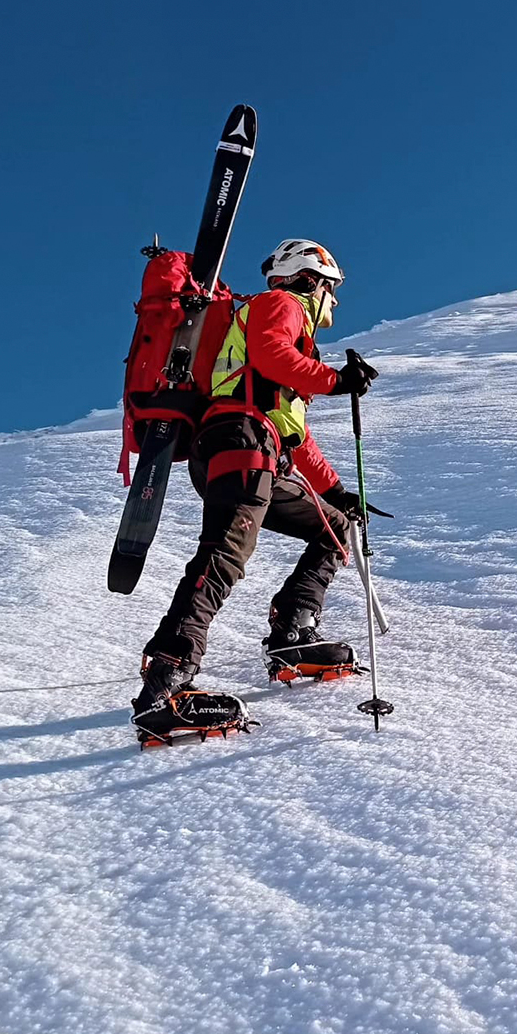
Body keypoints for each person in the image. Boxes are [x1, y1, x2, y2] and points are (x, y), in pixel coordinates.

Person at [131, 239, 378, 744]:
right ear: (312, 280)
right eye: (332, 289)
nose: (333, 300)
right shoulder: (281, 304)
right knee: (224, 554)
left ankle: (292, 636)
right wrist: (336, 381)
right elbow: (270, 355)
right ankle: (166, 680)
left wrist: (337, 493)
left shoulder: (291, 330)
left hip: (255, 447)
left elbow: (294, 434)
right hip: (237, 441)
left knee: (334, 529)